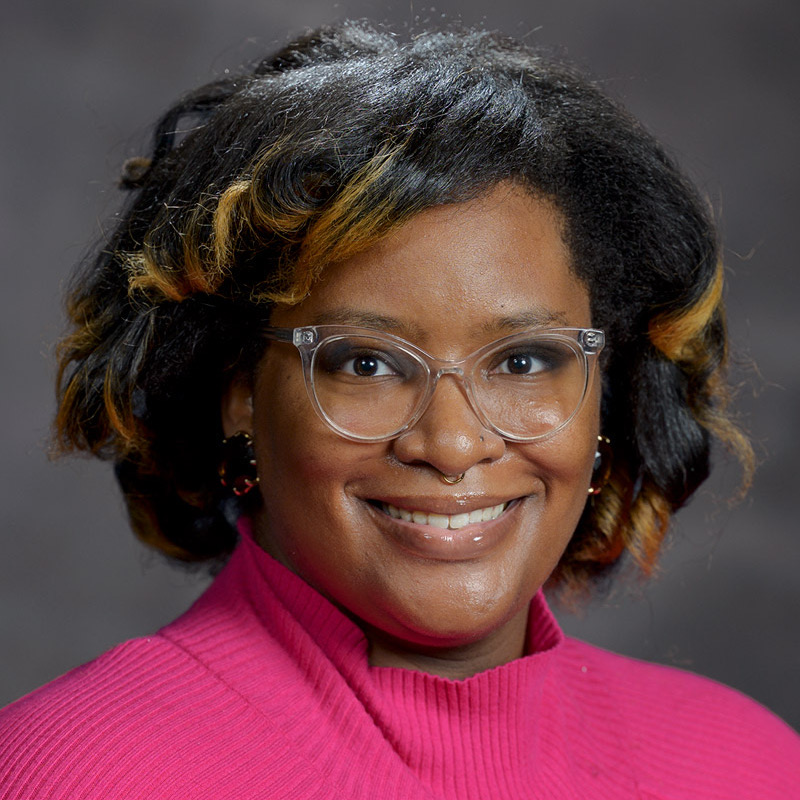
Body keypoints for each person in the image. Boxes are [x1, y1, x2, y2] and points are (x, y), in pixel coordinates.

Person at [1, 19, 797, 799]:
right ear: (239, 392)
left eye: (524, 361)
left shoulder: (748, 763)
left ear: (606, 394)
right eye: (367, 363)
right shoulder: (77, 773)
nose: (451, 445)